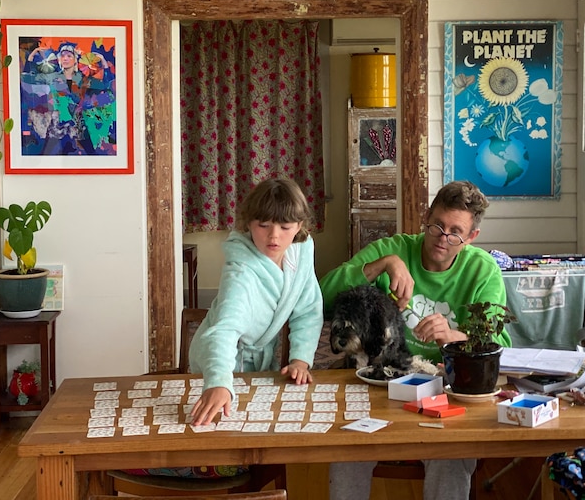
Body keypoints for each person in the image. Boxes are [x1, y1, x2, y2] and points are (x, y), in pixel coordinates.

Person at [319, 180, 509, 500]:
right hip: (378, 382)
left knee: (451, 457)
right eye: (436, 225)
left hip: (444, 388)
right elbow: (321, 297)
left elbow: (500, 342)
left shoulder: (483, 270)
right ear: (426, 217)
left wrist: (455, 337)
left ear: (472, 236)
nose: (442, 238)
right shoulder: (392, 248)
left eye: (454, 232)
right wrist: (384, 264)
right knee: (347, 449)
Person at [189, 177, 324, 425]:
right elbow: (225, 329)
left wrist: (300, 360)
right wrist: (219, 381)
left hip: (262, 359)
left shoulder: (302, 250)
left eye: (285, 227)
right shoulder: (240, 270)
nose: (274, 237)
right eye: (263, 225)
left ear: (300, 226)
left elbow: (308, 310)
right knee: (218, 427)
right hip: (220, 357)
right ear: (248, 224)